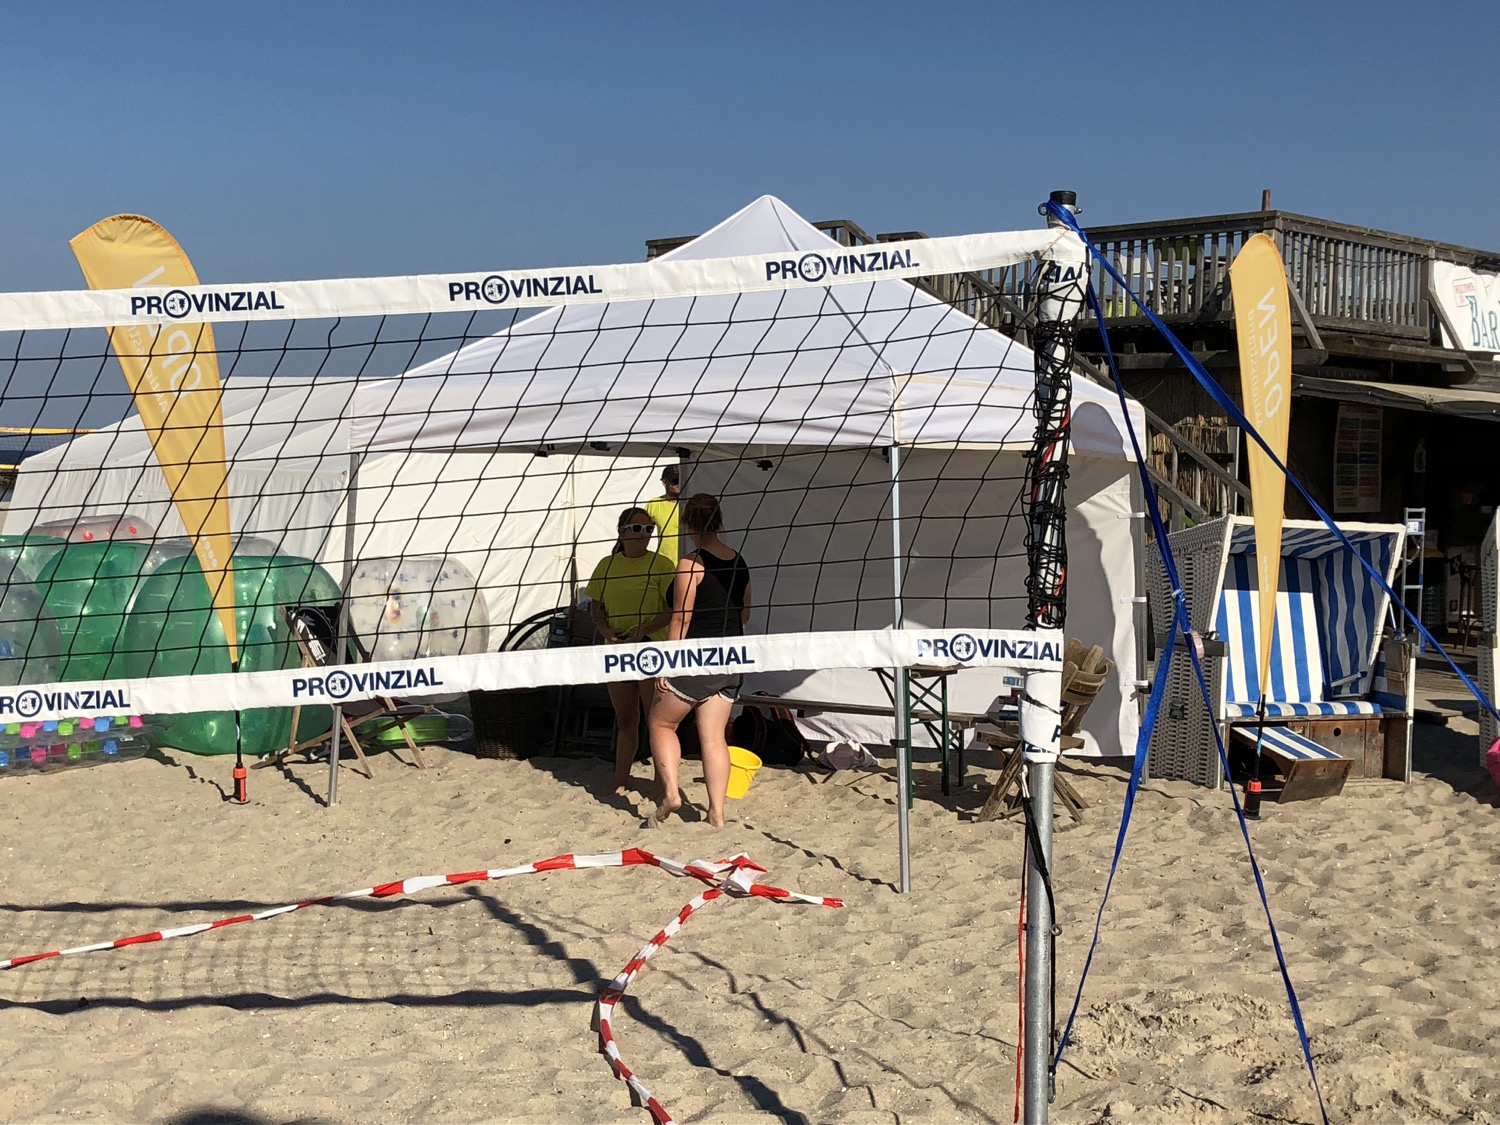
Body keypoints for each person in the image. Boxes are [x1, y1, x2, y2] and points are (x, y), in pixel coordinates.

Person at [647, 492, 752, 829]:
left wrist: (667, 663)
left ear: (688, 524)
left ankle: (671, 795)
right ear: (718, 520)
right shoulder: (739, 561)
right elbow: (745, 614)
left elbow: (681, 617)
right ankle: (716, 813)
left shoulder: (691, 563)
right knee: (714, 738)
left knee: (661, 724)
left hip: (695, 658)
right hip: (730, 659)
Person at [585, 507, 675, 794]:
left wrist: (644, 629)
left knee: (655, 723)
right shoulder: (607, 565)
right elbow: (596, 607)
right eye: (637, 529)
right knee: (626, 721)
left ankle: (661, 784)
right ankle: (620, 780)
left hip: (650, 648)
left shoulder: (662, 565)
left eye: (649, 529)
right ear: (622, 532)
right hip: (617, 648)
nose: (643, 534)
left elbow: (675, 609)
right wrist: (605, 630)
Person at [642, 465, 682, 564]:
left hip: (690, 562)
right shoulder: (654, 504)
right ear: (664, 482)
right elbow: (641, 533)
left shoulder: (691, 504)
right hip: (664, 564)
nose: (679, 484)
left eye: (681, 480)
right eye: (675, 481)